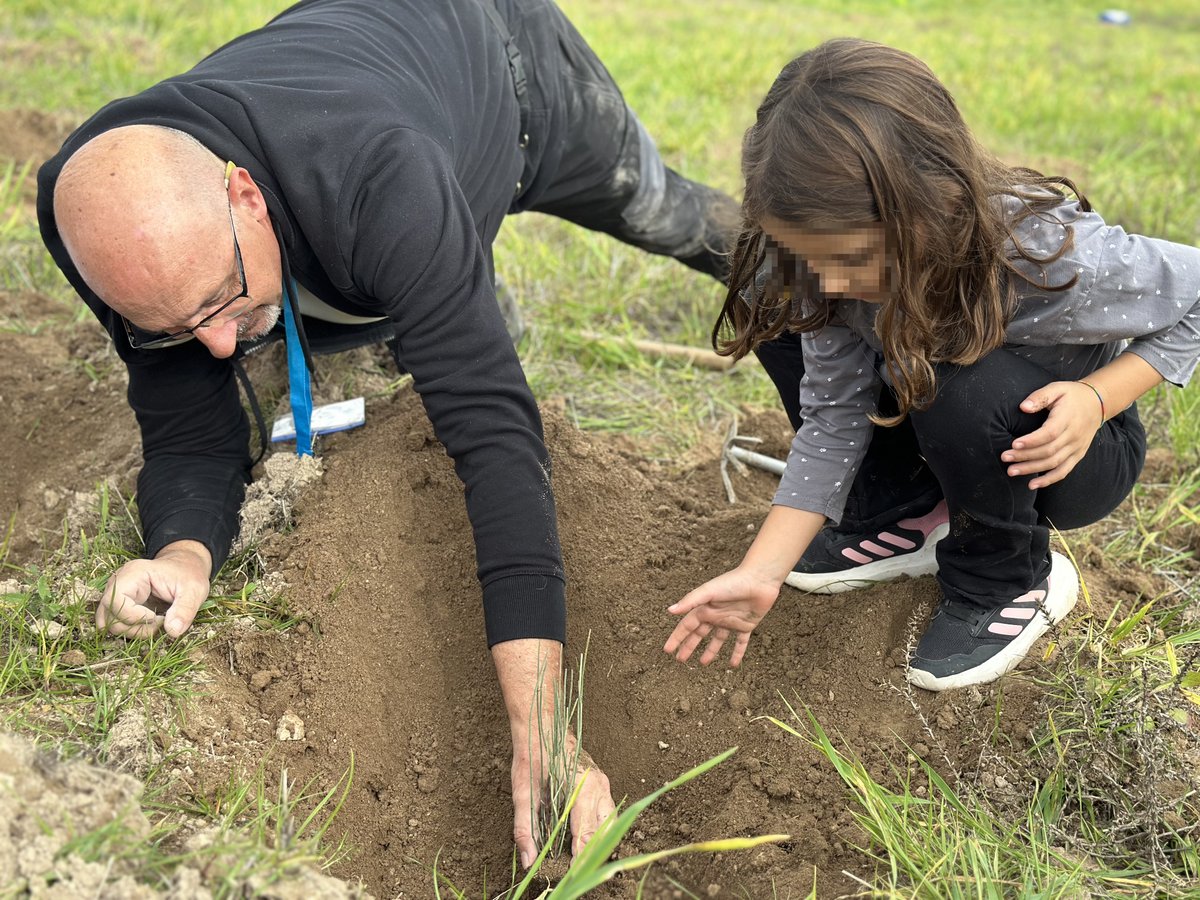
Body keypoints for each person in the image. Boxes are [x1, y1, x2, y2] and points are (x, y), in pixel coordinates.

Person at [37, 0, 736, 866]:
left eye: (219, 300)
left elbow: (493, 436)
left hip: (507, 66)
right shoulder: (93, 212)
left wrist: (544, 727)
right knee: (385, 302)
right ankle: (443, 291)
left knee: (665, 212)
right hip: (385, 111)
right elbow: (187, 429)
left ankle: (802, 279)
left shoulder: (375, 176)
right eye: (177, 327)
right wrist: (181, 553)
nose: (218, 346)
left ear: (245, 195)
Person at [664, 38, 1200, 691]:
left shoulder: (1045, 254)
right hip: (941, 409)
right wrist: (761, 571)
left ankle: (1007, 582)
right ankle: (902, 515)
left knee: (961, 381)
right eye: (814, 256)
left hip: (1067, 453)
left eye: (856, 257)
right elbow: (832, 417)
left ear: (933, 200)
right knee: (779, 309)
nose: (834, 279)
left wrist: (1096, 399)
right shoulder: (823, 274)